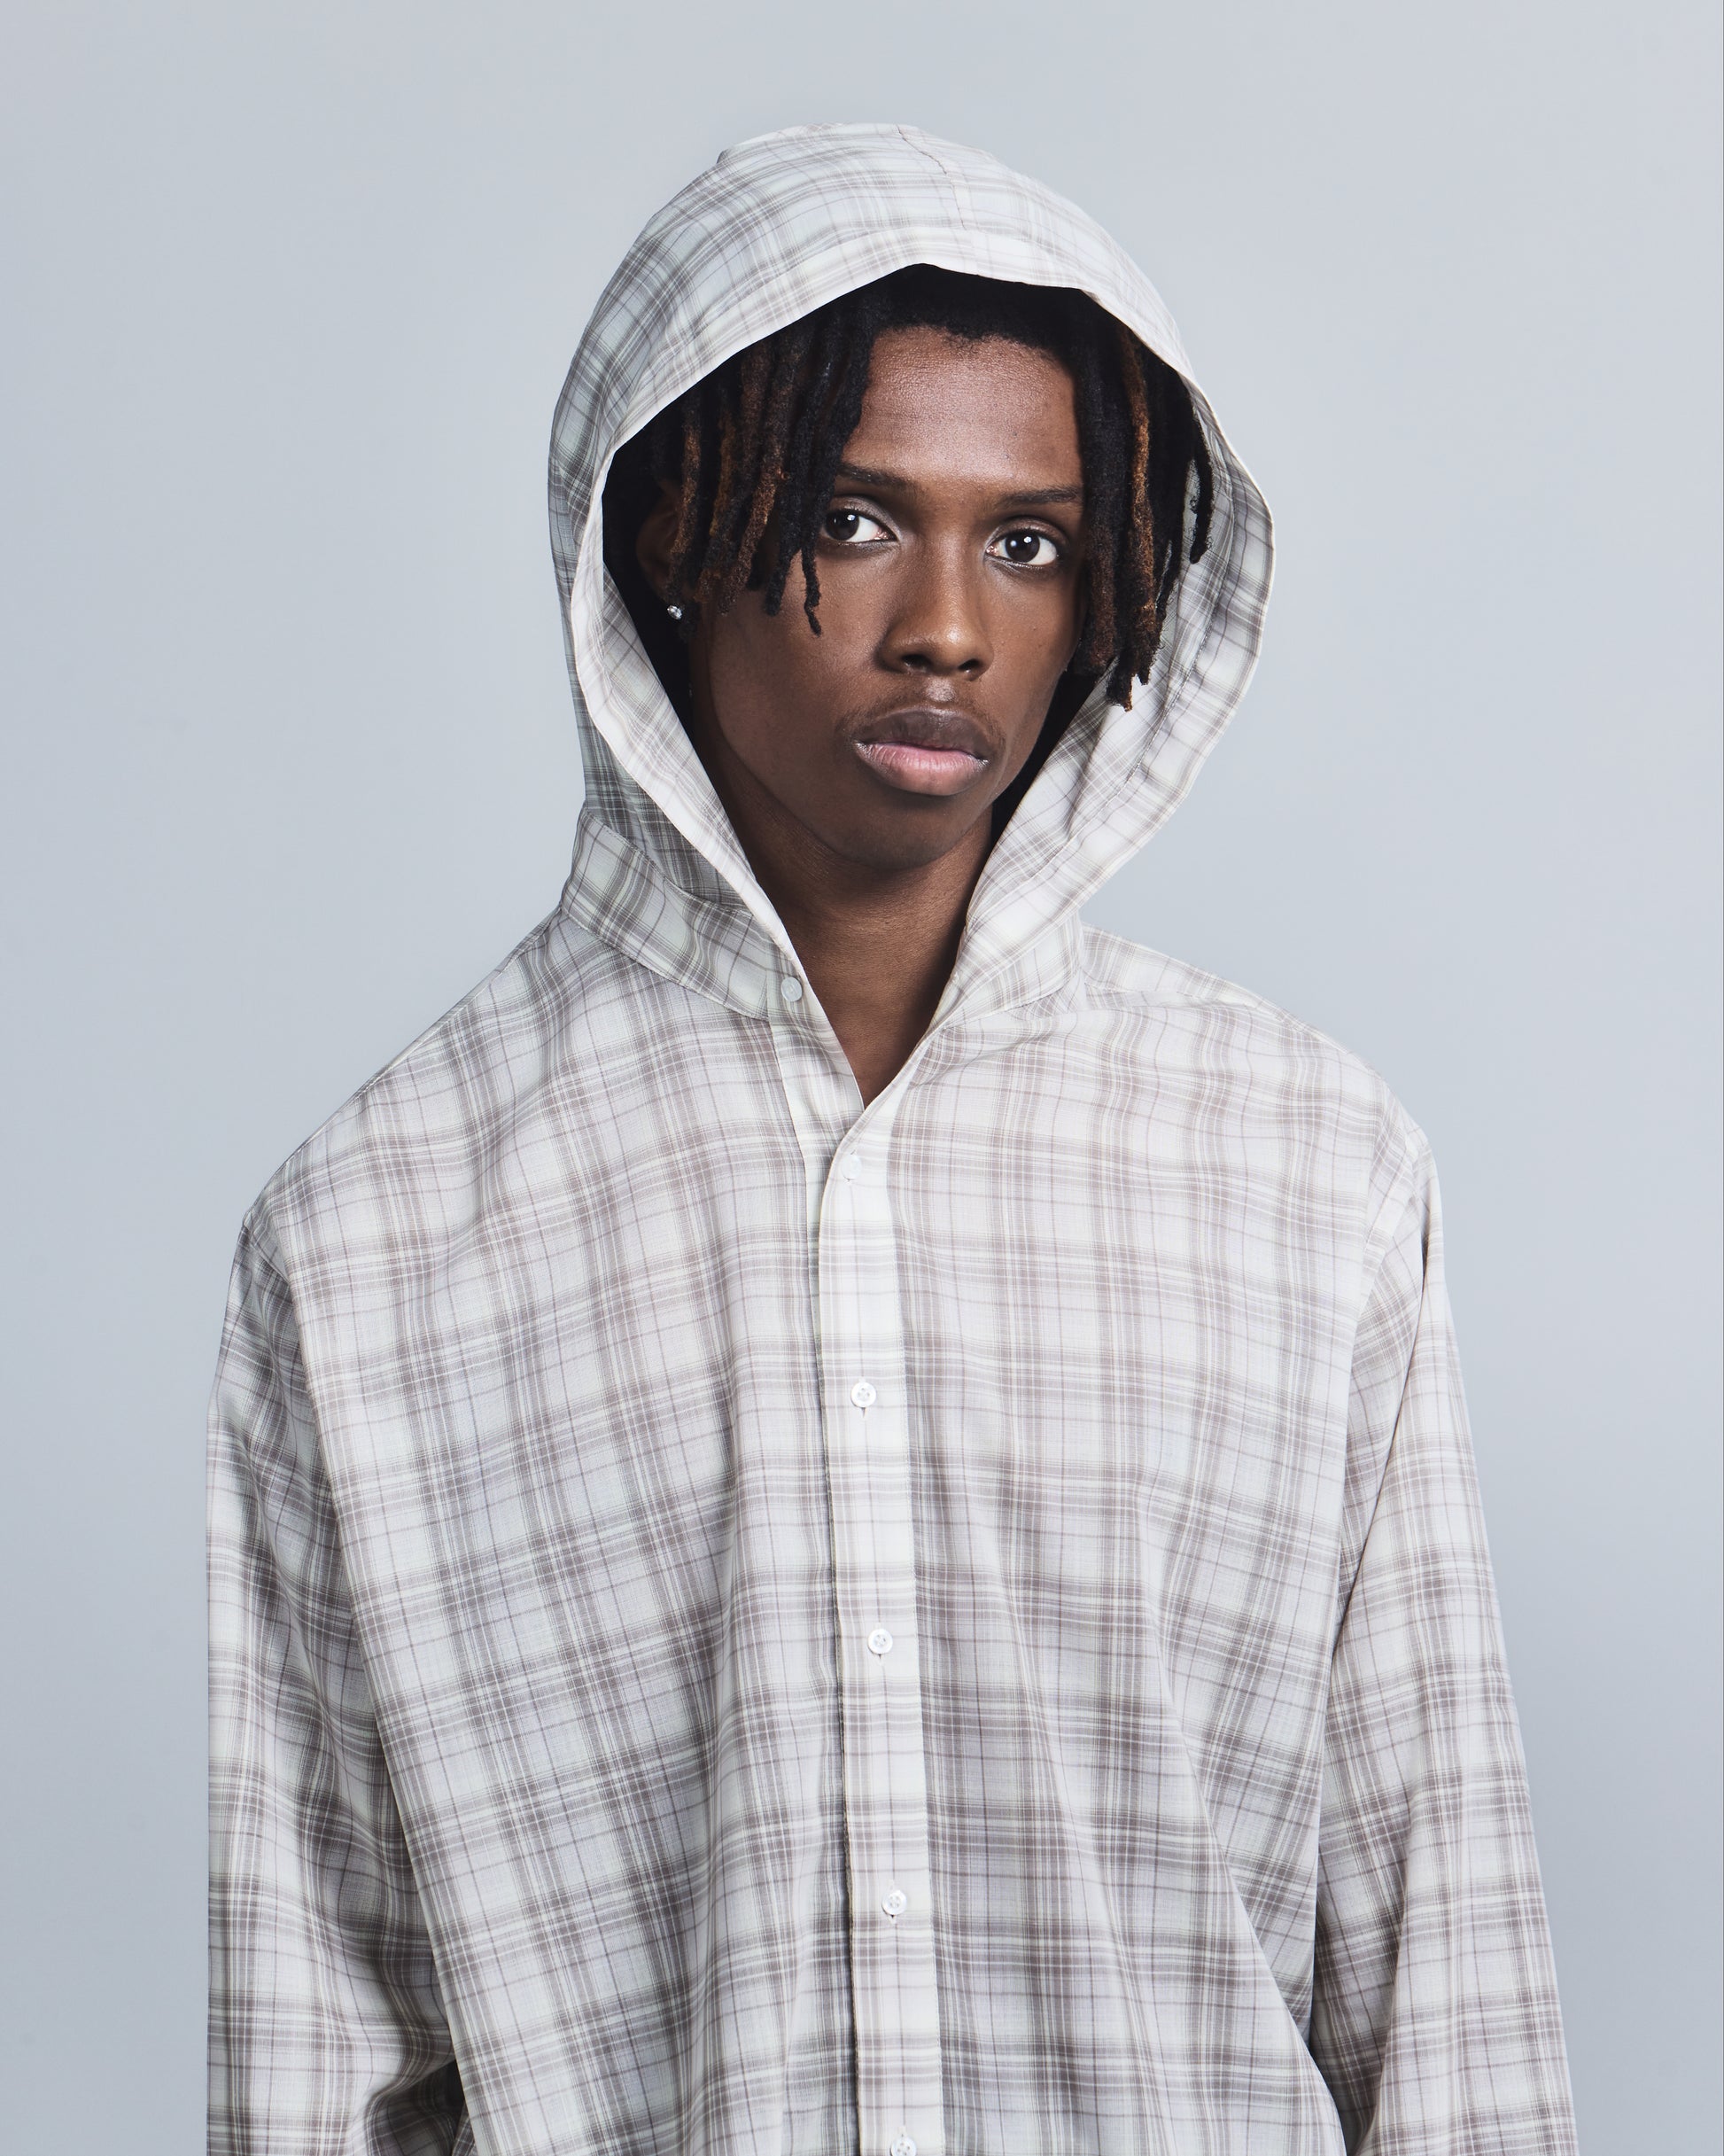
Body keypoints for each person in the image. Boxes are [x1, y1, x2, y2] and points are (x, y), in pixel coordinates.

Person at [207, 124, 1578, 2156]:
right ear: (673, 528)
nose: (948, 625)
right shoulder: (370, 1234)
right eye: (854, 520)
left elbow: (1439, 1960)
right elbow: (321, 2037)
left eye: (1029, 544)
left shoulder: (1305, 1166)